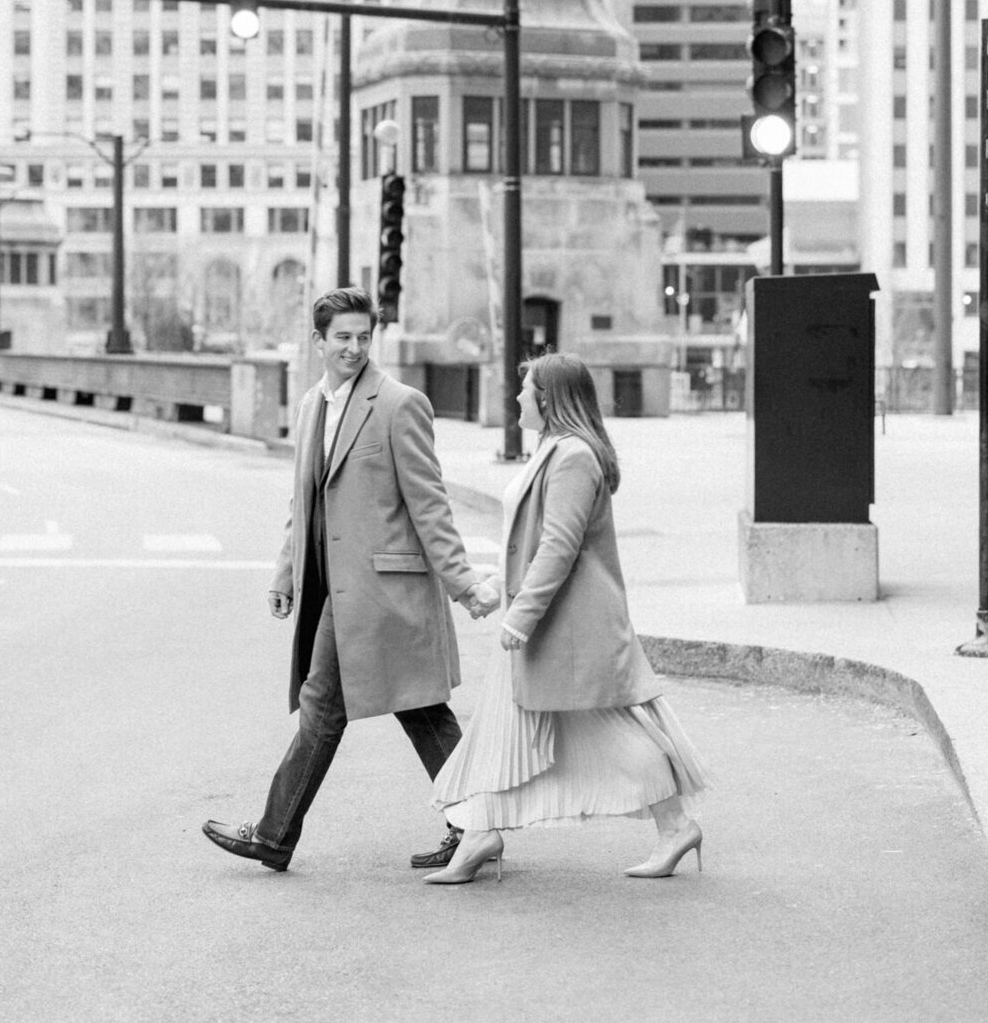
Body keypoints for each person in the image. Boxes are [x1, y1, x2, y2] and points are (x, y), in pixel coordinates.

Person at [203, 286, 498, 872]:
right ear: (318, 342)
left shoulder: (399, 404)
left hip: (385, 592)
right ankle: (477, 827)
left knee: (359, 708)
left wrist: (464, 584)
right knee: (407, 710)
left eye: (364, 337)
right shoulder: (315, 404)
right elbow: (304, 500)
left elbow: (430, 505)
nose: (355, 349)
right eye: (342, 338)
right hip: (337, 589)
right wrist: (286, 572)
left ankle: (274, 834)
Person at [425, 352, 710, 886]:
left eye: (525, 388)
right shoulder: (553, 450)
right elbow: (530, 541)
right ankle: (479, 833)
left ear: (548, 398)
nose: (516, 398)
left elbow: (560, 546)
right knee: (502, 724)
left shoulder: (574, 455)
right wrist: (498, 589)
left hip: (566, 627)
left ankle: (675, 826)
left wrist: (522, 616)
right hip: (545, 621)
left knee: (610, 727)